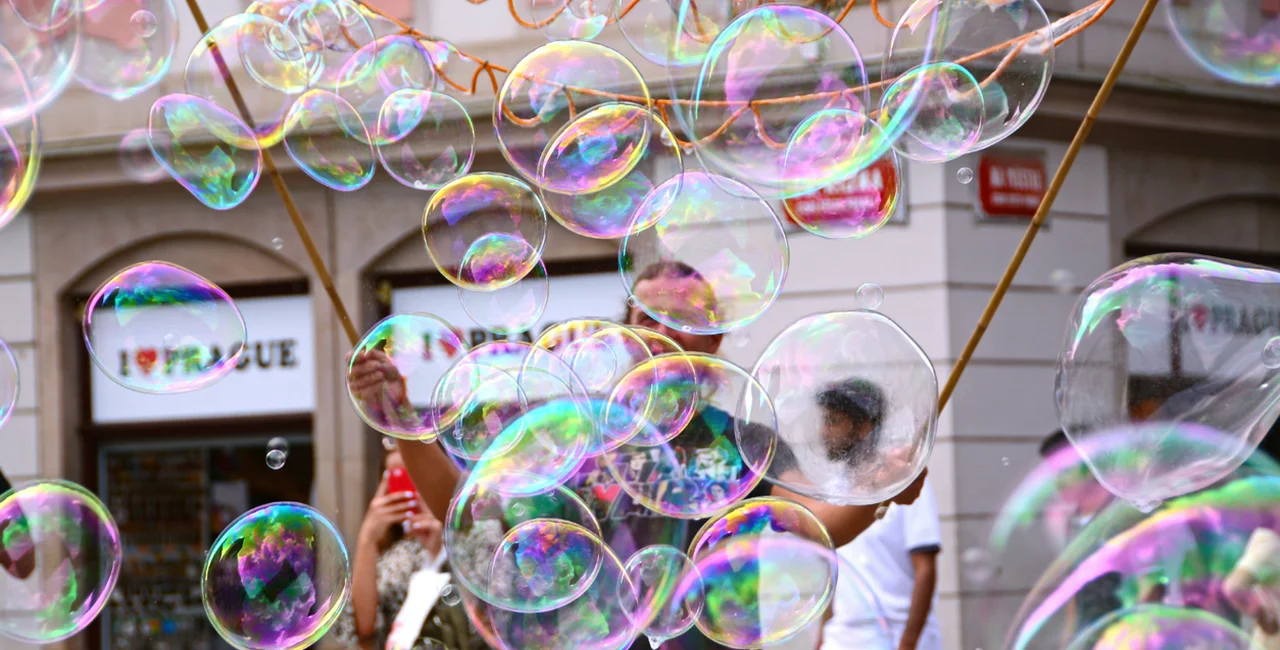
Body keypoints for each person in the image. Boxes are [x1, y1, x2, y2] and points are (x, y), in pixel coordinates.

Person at [357, 260, 928, 650]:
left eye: (680, 320)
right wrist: (401, 418)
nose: (658, 332)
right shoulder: (572, 432)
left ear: (712, 342)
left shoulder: (743, 441)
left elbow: (816, 524)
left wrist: (881, 491)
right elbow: (466, 506)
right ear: (623, 331)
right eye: (646, 317)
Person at [820, 380, 941, 650]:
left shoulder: (902, 481)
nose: (823, 431)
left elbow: (926, 569)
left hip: (896, 636)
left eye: (833, 421)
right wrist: (823, 632)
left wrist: (908, 643)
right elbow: (834, 570)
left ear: (863, 426)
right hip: (843, 639)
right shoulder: (835, 489)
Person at [333, 440, 483, 650]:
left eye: (417, 475)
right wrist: (367, 540)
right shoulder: (400, 557)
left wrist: (442, 547)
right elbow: (363, 631)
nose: (411, 490)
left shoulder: (478, 540)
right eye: (397, 478)